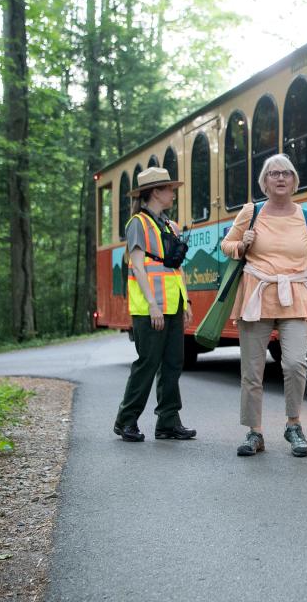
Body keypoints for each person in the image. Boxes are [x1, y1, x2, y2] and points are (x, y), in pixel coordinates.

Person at [221, 154, 307, 458]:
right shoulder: (251, 212)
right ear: (264, 182)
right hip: (257, 295)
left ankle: (294, 425)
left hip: (296, 296)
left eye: (286, 173)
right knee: (252, 371)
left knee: (295, 364)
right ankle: (254, 432)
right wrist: (242, 244)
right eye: (273, 173)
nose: (280, 178)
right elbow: (226, 245)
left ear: (294, 181)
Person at [114, 167, 196, 442]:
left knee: (173, 363)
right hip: (150, 306)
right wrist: (152, 304)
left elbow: (173, 268)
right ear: (156, 192)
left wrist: (185, 301)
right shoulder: (138, 223)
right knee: (148, 363)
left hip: (172, 303)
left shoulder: (168, 224)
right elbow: (138, 267)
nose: (173, 193)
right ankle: (126, 420)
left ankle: (168, 422)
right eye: (169, 189)